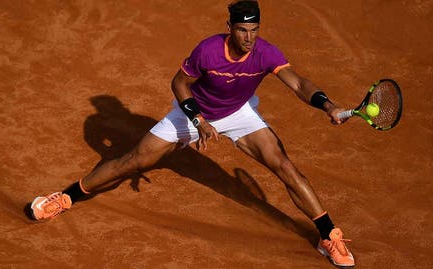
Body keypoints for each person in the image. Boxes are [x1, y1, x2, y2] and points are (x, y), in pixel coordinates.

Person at [30, 0, 354, 267]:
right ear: (230, 28)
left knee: (284, 166)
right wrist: (197, 119)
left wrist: (328, 106)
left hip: (239, 113)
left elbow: (298, 83)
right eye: (242, 30)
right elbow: (179, 83)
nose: (249, 38)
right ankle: (67, 196)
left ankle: (328, 235)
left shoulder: (266, 53)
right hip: (193, 112)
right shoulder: (209, 50)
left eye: (254, 30)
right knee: (133, 161)